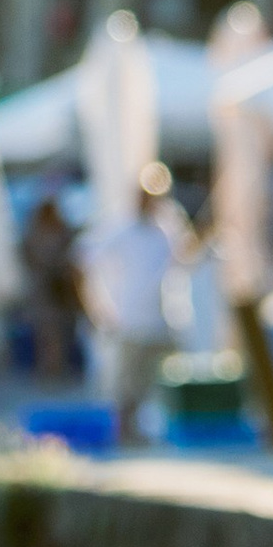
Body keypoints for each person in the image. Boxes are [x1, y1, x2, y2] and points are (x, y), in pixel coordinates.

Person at [79, 168, 188, 439]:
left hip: (162, 319)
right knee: (125, 386)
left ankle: (145, 432)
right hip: (129, 319)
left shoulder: (168, 228)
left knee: (154, 383)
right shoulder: (120, 227)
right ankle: (124, 433)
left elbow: (184, 259)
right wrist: (96, 308)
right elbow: (82, 261)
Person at [18, 189, 86, 382]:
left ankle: (54, 368)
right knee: (48, 333)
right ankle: (50, 369)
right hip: (46, 292)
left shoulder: (55, 232)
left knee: (55, 332)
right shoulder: (37, 234)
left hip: (57, 292)